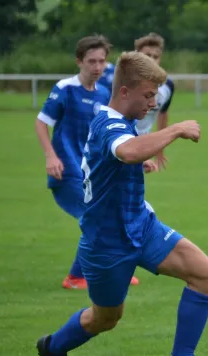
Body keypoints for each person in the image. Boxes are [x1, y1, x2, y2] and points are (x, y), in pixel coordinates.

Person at [35, 51, 208, 356]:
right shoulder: (107, 121)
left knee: (205, 275)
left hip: (142, 226)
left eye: (156, 95)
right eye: (149, 95)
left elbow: (128, 154)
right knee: (106, 318)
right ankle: (51, 347)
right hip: (106, 242)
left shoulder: (123, 125)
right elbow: (126, 151)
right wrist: (177, 129)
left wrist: (143, 161)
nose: (154, 103)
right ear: (125, 92)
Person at [35, 35, 140, 289]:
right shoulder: (65, 89)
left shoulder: (104, 93)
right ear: (79, 61)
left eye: (101, 61)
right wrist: (51, 155)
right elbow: (41, 123)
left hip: (92, 174)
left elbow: (113, 131)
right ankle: (77, 277)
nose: (97, 67)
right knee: (96, 219)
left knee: (107, 218)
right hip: (66, 171)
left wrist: (137, 158)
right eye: (91, 61)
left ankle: (110, 270)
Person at [97, 32, 174, 169]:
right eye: (147, 55)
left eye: (155, 56)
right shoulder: (121, 84)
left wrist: (159, 147)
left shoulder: (168, 86)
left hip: (142, 144)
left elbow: (163, 113)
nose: (152, 60)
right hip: (120, 140)